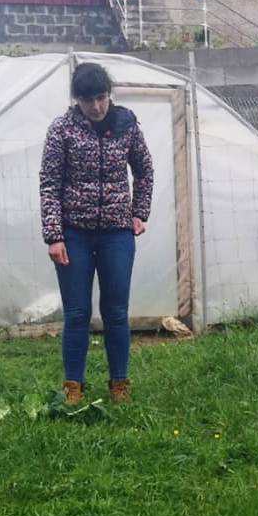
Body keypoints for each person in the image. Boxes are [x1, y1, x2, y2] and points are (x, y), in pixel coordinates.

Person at [39, 62, 154, 405]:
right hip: (74, 232)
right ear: (78, 100)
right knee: (77, 313)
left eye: (102, 97)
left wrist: (138, 212)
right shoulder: (61, 130)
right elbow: (49, 183)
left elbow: (145, 170)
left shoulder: (127, 125)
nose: (97, 107)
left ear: (109, 95)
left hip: (117, 233)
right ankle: (73, 386)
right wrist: (54, 235)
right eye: (89, 100)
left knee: (116, 311)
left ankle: (120, 383)